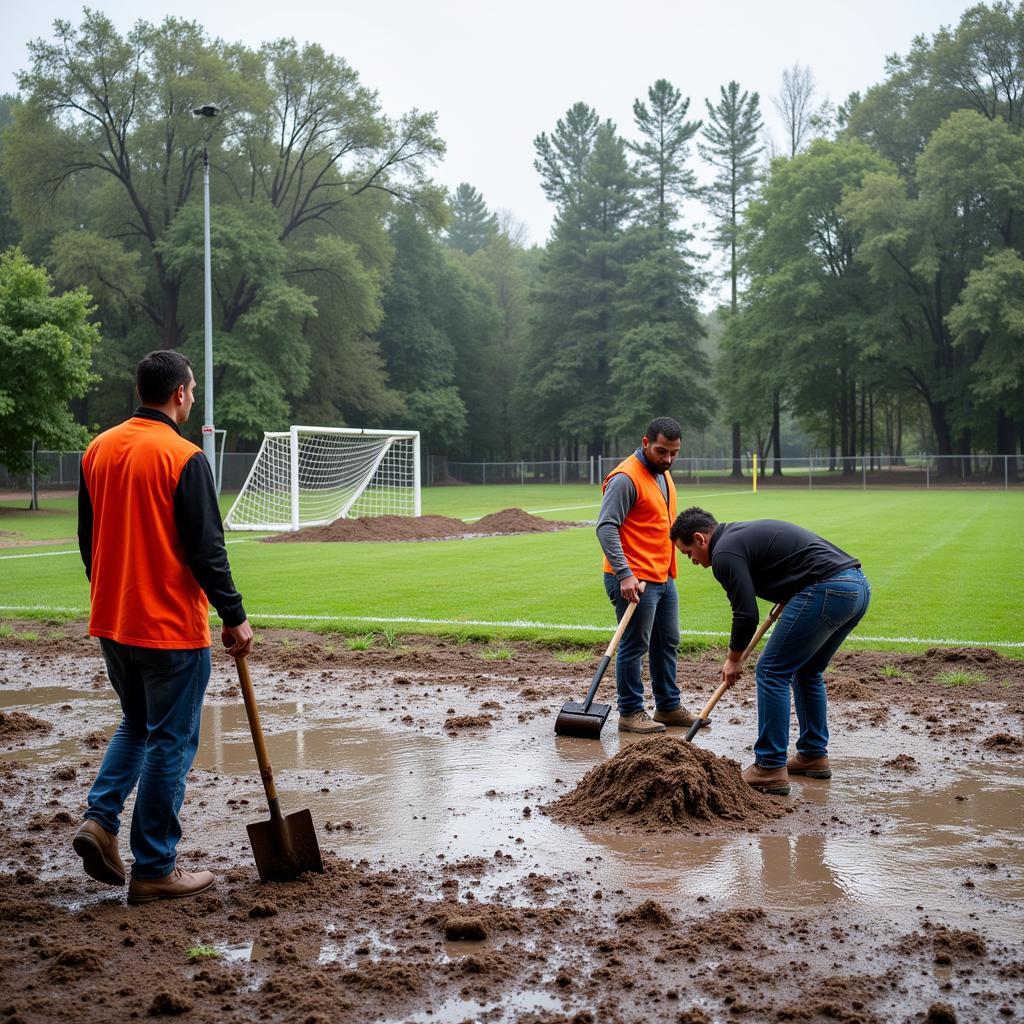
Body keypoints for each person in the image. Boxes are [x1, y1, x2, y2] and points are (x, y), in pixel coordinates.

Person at [75, 350, 253, 904]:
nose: (193, 397)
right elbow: (208, 550)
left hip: (113, 620)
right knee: (170, 741)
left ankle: (100, 820)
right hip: (169, 628)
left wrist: (110, 593)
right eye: (193, 390)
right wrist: (234, 616)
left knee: (136, 722)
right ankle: (154, 867)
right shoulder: (184, 456)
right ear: (180, 393)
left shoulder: (98, 449)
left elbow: (89, 540)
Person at [669, 507, 870, 795]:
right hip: (856, 588)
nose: (692, 561)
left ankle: (769, 767)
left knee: (771, 671)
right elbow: (790, 563)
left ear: (700, 539)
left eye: (688, 553)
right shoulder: (738, 535)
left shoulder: (723, 553)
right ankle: (813, 754)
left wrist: (733, 659)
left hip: (828, 589)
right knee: (807, 670)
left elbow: (746, 613)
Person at [596, 416, 700, 734]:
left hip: (662, 575)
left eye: (673, 453)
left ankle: (668, 706)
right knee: (634, 645)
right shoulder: (626, 479)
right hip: (633, 580)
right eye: (661, 451)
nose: (667, 459)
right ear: (645, 443)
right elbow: (606, 527)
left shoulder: (661, 475)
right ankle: (630, 712)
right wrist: (625, 574)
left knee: (667, 641)